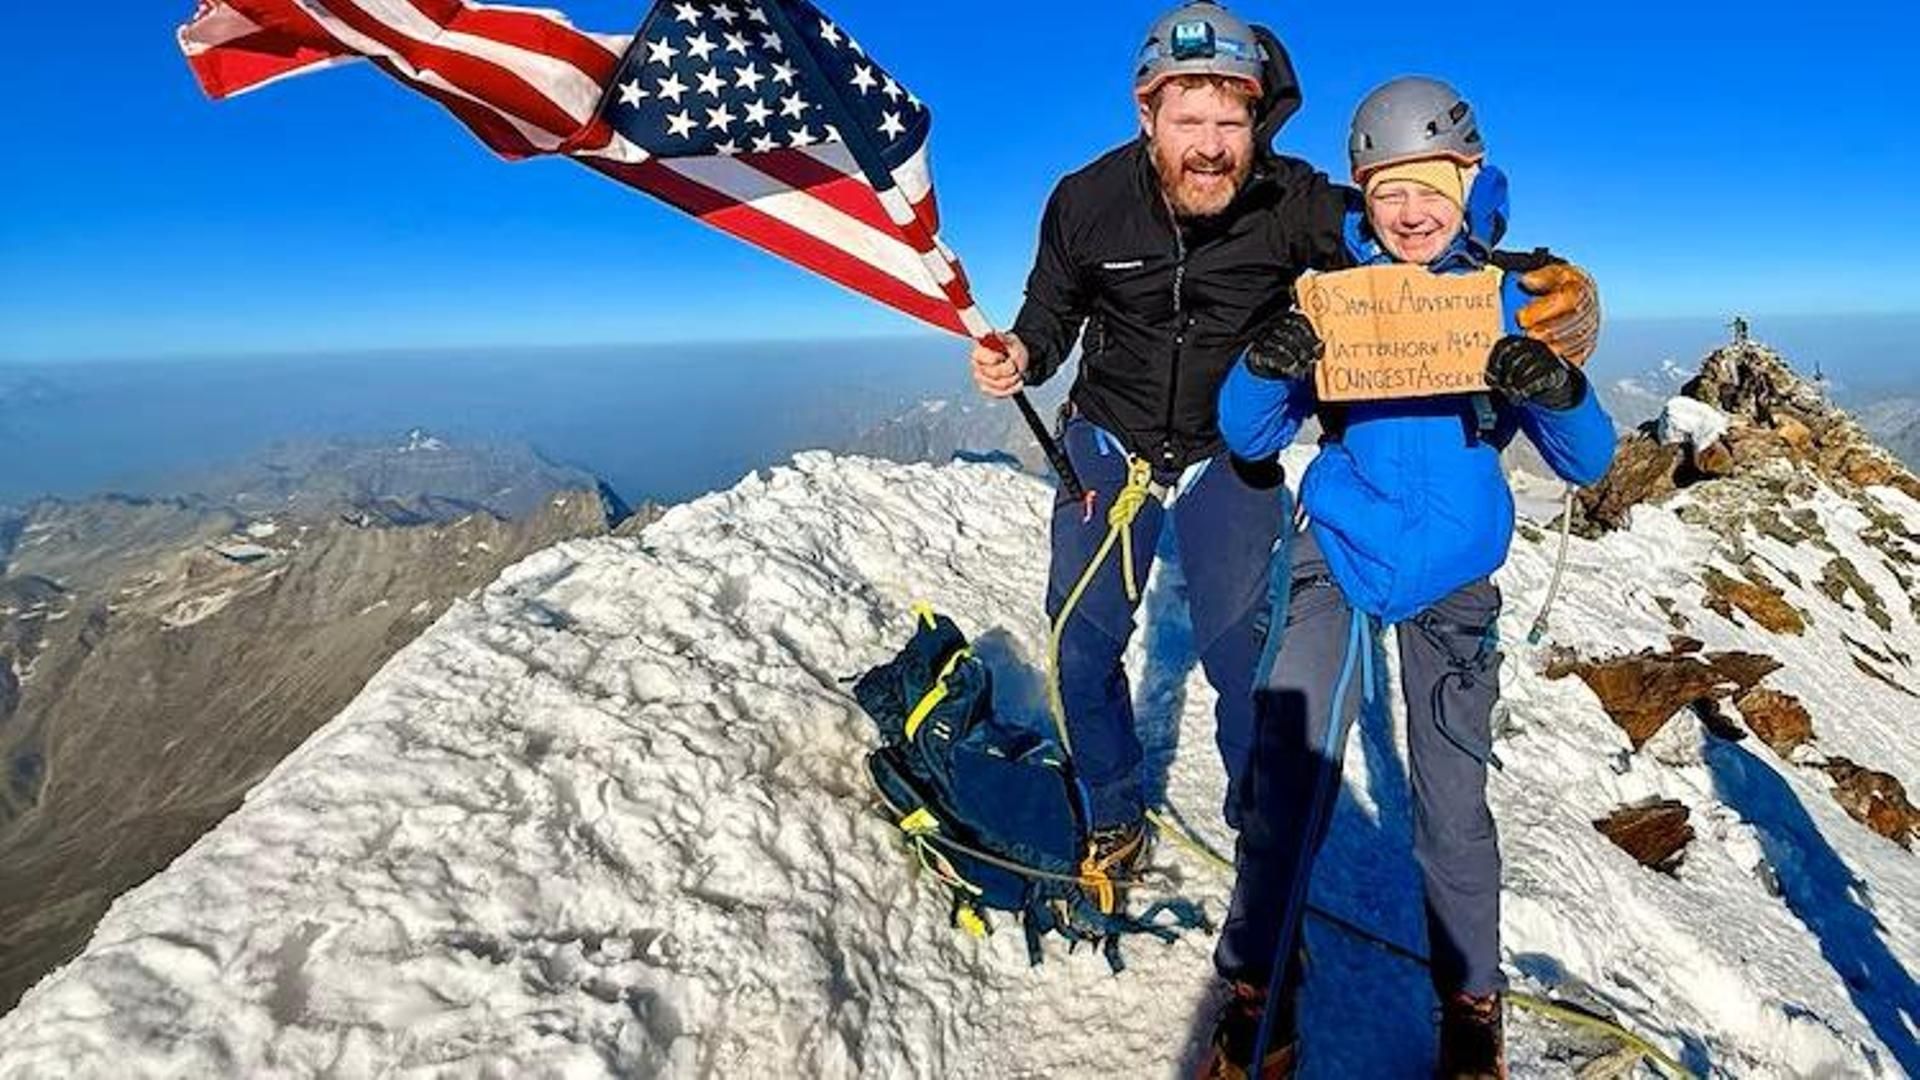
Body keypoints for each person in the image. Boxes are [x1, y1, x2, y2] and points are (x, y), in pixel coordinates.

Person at [968, 0, 1603, 916]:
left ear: (1256, 117)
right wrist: (1022, 352)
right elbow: (1052, 304)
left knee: (1241, 663)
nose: (1213, 143)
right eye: (1189, 119)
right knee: (1082, 642)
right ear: (1147, 115)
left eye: (1232, 119)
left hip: (1233, 451)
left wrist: (1552, 286)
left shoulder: (1292, 198)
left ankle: (1256, 828)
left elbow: (1410, 228)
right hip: (1108, 435)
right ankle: (1115, 813)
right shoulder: (1085, 201)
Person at [1200, 76, 1619, 1079]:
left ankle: (1470, 1006)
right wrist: (1271, 360)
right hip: (1337, 556)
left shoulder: (1512, 296)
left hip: (1454, 577)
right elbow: (1247, 435)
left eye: (1431, 185)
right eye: (1388, 191)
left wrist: (1556, 389)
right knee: (1287, 785)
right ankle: (1263, 983)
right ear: (1361, 192)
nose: (1412, 211)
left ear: (1470, 179)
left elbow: (1589, 461)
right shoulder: (1330, 297)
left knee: (1452, 806)